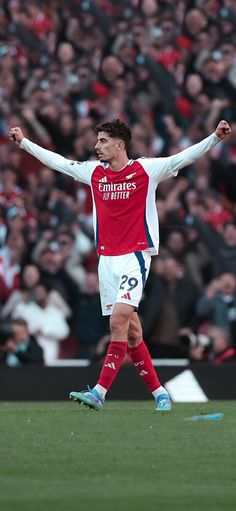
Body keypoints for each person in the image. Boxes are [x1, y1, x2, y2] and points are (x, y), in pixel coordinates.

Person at [9, 118, 231, 411]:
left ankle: (100, 391)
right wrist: (25, 143)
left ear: (119, 144)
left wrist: (215, 137)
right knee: (132, 333)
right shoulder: (94, 173)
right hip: (106, 261)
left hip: (135, 256)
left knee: (117, 322)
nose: (96, 146)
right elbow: (58, 163)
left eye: (102, 141)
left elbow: (184, 156)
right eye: (97, 140)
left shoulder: (146, 170)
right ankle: (160, 393)